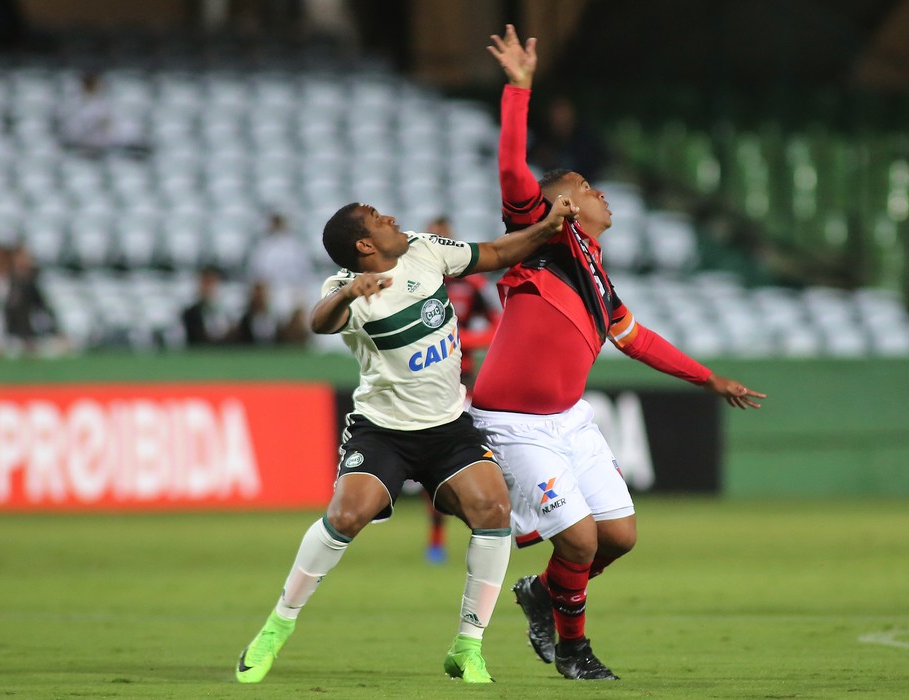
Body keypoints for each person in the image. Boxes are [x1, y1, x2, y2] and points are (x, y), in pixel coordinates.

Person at [470, 25, 766, 681]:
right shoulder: (544, 238)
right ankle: (574, 649)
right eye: (587, 184)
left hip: (569, 418)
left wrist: (708, 378)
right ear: (565, 203)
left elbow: (638, 339)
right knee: (577, 540)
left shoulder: (595, 272)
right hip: (516, 423)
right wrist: (518, 91)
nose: (600, 191)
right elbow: (513, 172)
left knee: (619, 538)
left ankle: (543, 593)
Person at [234, 195, 579, 684]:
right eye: (378, 219)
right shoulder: (345, 289)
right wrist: (353, 292)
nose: (391, 218)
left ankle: (468, 646)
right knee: (346, 515)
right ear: (364, 244)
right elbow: (320, 320)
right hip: (384, 431)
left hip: (446, 427)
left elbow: (498, 253)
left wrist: (548, 226)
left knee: (493, 509)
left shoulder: (425, 249)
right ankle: (277, 627)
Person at [421, 215, 502, 564]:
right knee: (431, 461)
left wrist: (466, 340)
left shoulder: (472, 284)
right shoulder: (416, 282)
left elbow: (500, 325)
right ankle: (436, 538)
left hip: (464, 379)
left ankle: (502, 524)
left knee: (486, 452)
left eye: (445, 238)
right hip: (425, 381)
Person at [181, 265, 232, 346]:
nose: (208, 287)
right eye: (206, 283)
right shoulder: (191, 312)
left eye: (212, 282)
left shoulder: (226, 309)